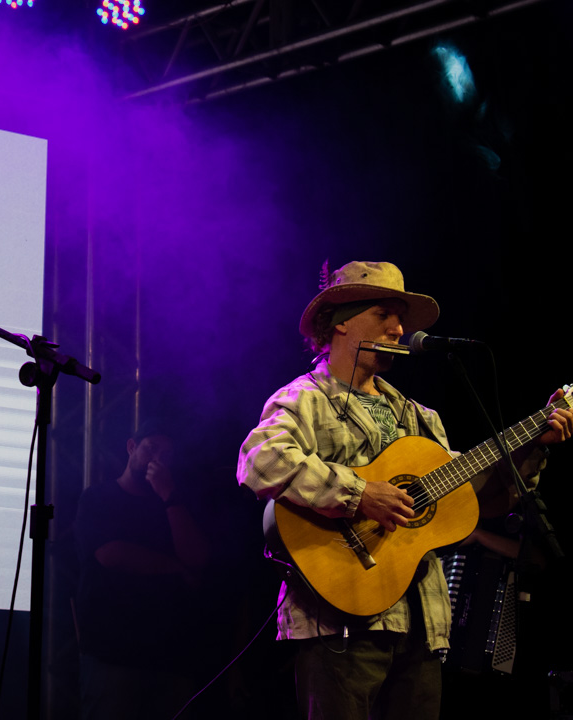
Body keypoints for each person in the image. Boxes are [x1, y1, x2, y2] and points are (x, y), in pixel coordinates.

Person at [236, 260, 572, 720]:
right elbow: (261, 461)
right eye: (384, 314)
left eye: (401, 319)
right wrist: (359, 494)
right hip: (338, 621)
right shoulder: (303, 398)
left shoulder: (421, 417)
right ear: (339, 323)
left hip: (421, 624)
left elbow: (479, 500)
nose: (397, 330)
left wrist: (533, 447)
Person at [73, 421, 212, 720]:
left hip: (170, 652)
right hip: (113, 650)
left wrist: (169, 497)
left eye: (167, 453)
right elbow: (110, 553)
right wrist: (177, 568)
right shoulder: (98, 498)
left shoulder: (175, 503)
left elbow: (197, 557)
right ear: (131, 447)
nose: (157, 458)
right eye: (151, 448)